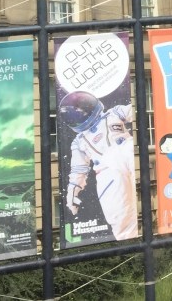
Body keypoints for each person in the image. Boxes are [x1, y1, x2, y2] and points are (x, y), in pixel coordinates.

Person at [59, 90, 138, 240]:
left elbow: (134, 110)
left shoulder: (113, 114)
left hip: (125, 150)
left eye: (81, 110)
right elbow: (78, 170)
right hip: (106, 169)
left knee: (131, 155)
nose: (81, 114)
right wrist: (72, 194)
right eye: (75, 114)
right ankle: (129, 242)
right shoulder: (79, 141)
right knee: (117, 214)